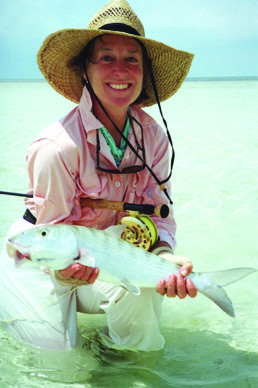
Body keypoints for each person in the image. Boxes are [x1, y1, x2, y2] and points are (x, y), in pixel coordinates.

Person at [0, 0, 197, 351]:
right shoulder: (57, 147)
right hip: (35, 257)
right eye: (106, 57)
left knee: (144, 314)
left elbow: (161, 216)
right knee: (58, 363)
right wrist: (65, 271)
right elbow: (52, 239)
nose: (119, 70)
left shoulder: (155, 139)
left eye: (131, 59)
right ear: (84, 72)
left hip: (104, 256)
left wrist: (165, 256)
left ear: (145, 73)